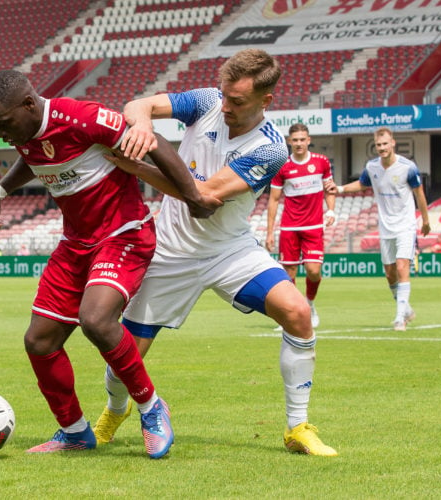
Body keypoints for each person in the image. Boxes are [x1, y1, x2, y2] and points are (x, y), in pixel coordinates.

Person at [93, 49, 338, 456]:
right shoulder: (208, 101)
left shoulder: (271, 149)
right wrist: (140, 124)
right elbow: (139, 104)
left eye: (237, 100)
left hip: (229, 250)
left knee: (297, 312)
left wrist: (136, 165)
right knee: (127, 354)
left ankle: (298, 427)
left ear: (266, 101)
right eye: (224, 95)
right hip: (170, 251)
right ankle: (113, 412)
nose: (224, 105)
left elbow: (202, 196)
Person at [0, 69, 216, 458]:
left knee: (96, 319)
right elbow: (33, 157)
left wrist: (192, 196)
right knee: (38, 341)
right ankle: (74, 432)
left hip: (124, 233)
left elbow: (150, 141)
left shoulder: (81, 117)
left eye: (3, 124)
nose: (1, 134)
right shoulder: (24, 133)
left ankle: (151, 408)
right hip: (75, 244)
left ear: (28, 104)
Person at [325, 127, 430, 331]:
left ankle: (400, 318)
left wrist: (425, 221)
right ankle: (405, 307)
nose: (382, 148)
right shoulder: (372, 167)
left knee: (402, 267)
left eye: (385, 144)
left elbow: (420, 194)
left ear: (393, 143)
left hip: (405, 225)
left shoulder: (408, 167)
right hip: (386, 226)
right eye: (378, 145)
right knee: (390, 273)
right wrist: (339, 189)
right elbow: (363, 184)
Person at [265, 123, 336, 329]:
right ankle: (293, 313)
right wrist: (270, 232)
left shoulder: (321, 162)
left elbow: (329, 188)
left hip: (314, 226)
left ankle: (310, 305)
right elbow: (274, 200)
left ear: (308, 140)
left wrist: (330, 210)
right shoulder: (283, 167)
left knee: (314, 271)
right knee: (288, 275)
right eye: (294, 140)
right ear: (289, 142)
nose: (298, 144)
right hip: (289, 227)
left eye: (302, 140)